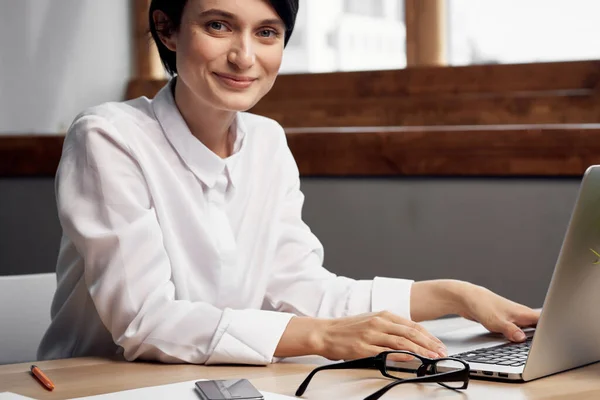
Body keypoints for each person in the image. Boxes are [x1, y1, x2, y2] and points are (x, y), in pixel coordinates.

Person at [38, 0, 539, 365]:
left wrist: (455, 296)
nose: (244, 56)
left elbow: (301, 291)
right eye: (219, 25)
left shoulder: (268, 142)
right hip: (103, 388)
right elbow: (146, 322)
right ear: (168, 29)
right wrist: (320, 337)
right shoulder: (108, 137)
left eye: (267, 33)